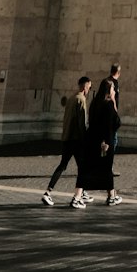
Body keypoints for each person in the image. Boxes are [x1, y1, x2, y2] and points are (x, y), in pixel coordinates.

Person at [73, 78, 121, 207]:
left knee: (87, 169)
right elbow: (115, 123)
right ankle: (111, 197)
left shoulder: (95, 102)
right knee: (106, 169)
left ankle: (78, 196)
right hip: (105, 143)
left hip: (92, 140)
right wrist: (114, 102)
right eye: (113, 89)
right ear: (109, 91)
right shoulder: (109, 104)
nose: (114, 91)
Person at [42, 76, 90, 205]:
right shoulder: (81, 99)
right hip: (77, 140)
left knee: (62, 165)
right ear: (85, 87)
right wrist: (85, 139)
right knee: (83, 168)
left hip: (67, 138)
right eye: (89, 87)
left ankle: (48, 192)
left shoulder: (71, 98)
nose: (89, 90)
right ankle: (78, 196)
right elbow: (82, 123)